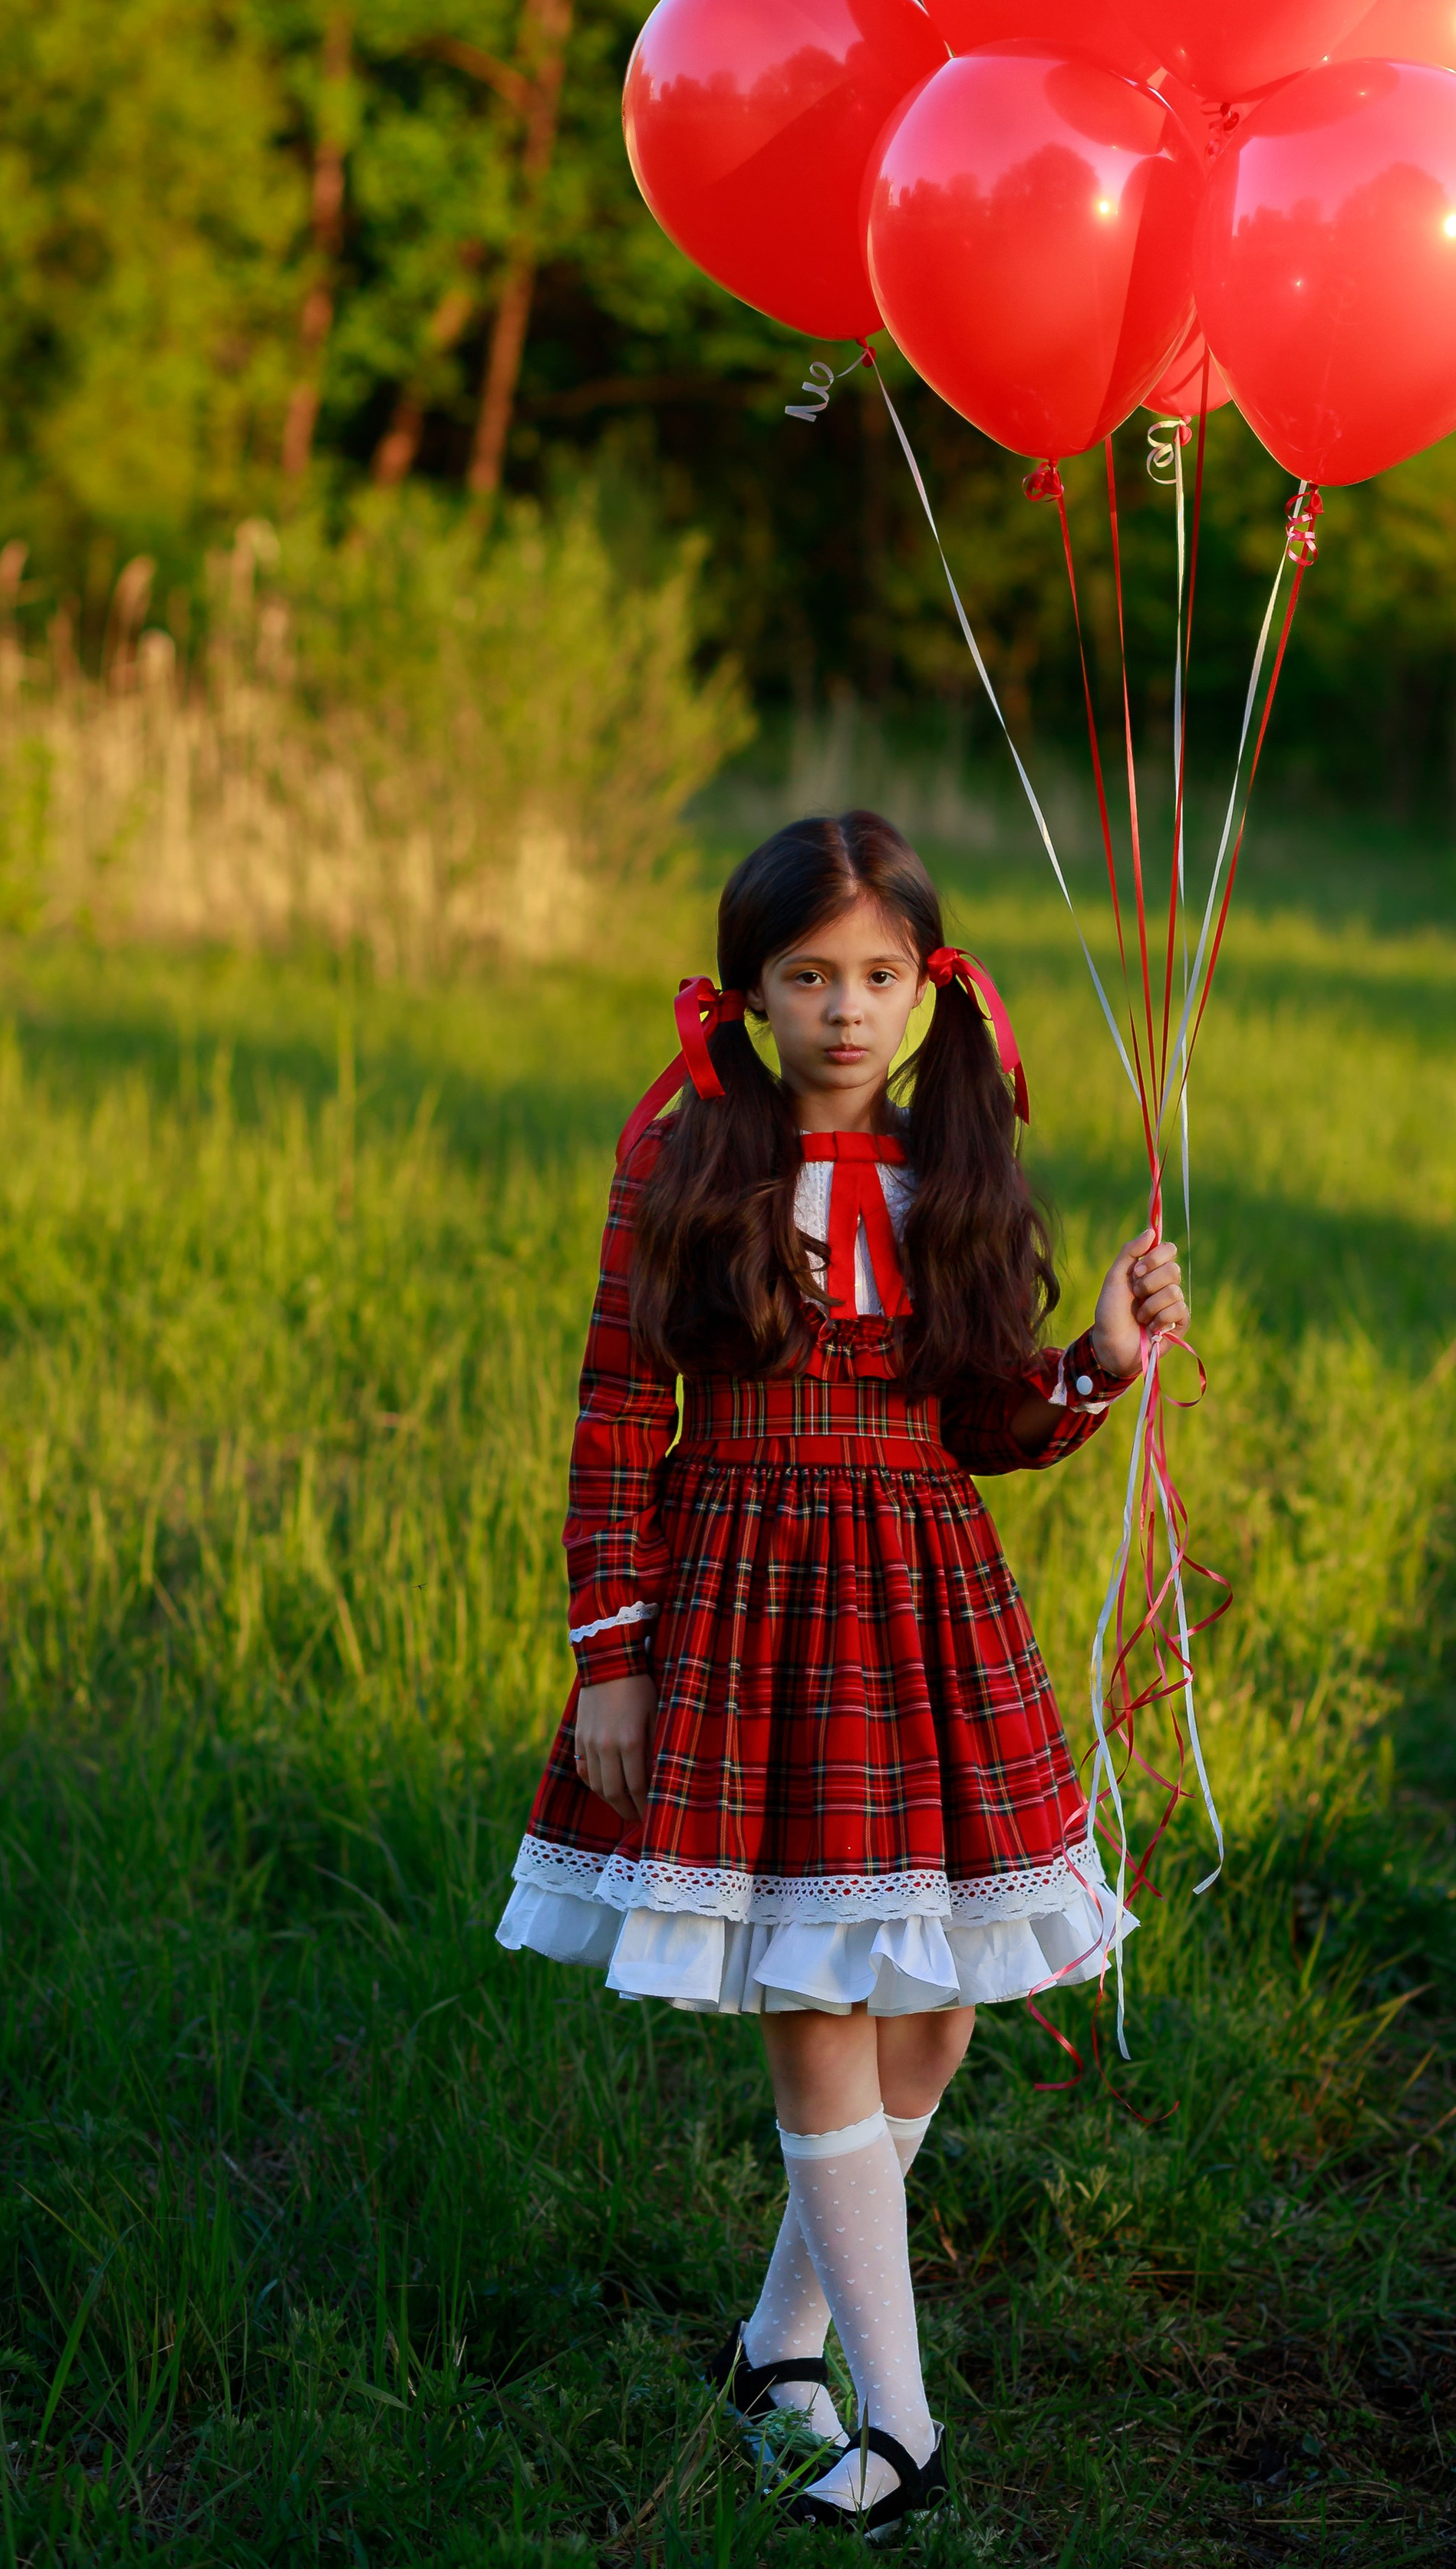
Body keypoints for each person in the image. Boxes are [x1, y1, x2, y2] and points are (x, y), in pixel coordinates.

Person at [496, 811, 1187, 2536]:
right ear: (748, 994)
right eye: (808, 978)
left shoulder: (951, 1175)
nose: (846, 1011)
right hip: (741, 1612)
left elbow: (982, 1418)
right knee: (816, 2003)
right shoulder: (685, 1165)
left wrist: (1095, 1364)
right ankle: (899, 2426)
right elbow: (608, 1416)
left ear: (926, 989)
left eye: (879, 976)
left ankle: (775, 2349)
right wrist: (612, 1657)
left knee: (934, 2015)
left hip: (921, 1614)